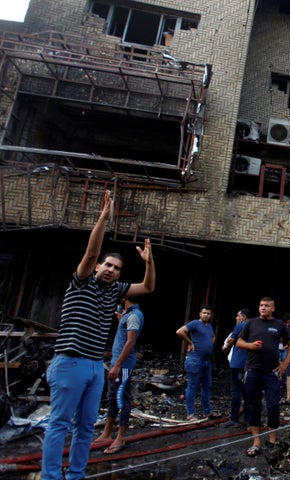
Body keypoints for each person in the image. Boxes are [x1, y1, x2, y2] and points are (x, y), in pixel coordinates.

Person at [42, 189, 155, 480]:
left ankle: (76, 474)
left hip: (95, 365)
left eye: (116, 268)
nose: (110, 270)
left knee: (86, 425)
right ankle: (51, 477)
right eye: (107, 265)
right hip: (69, 361)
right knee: (59, 424)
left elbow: (148, 288)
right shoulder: (82, 283)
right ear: (98, 267)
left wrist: (149, 262)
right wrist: (104, 218)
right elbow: (91, 252)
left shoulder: (115, 291)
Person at [237, 297, 290, 456]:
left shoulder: (279, 325)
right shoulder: (251, 323)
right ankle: (256, 442)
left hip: (272, 372)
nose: (263, 308)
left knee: (273, 406)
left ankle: (272, 442)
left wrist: (285, 362)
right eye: (261, 305)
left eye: (266, 306)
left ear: (273, 308)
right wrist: (250, 345)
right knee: (253, 406)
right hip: (253, 371)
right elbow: (238, 342)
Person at [94, 297, 144, 454]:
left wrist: (117, 365)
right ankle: (107, 433)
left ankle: (120, 437)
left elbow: (130, 342)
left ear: (125, 297)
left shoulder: (134, 315)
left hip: (123, 365)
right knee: (112, 398)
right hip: (118, 362)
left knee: (122, 399)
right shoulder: (127, 315)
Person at [176, 305, 216, 420]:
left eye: (208, 313)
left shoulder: (209, 326)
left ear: (211, 315)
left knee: (207, 387)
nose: (206, 315)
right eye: (204, 313)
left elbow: (213, 337)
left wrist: (208, 345)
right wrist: (189, 342)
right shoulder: (195, 323)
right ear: (200, 314)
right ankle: (190, 414)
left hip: (206, 361)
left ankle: (207, 412)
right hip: (195, 359)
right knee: (192, 387)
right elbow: (180, 331)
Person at [221, 308, 250, 427]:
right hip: (249, 363)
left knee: (236, 391)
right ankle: (247, 418)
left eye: (238, 316)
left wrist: (226, 343)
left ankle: (234, 419)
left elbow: (230, 341)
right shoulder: (255, 326)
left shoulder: (240, 326)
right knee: (248, 391)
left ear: (243, 317)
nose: (236, 318)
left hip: (237, 363)